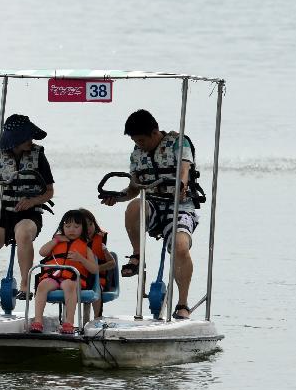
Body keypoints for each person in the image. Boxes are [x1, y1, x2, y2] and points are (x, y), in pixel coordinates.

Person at [99, 109, 205, 320]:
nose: (139, 145)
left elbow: (185, 168)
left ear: (155, 132)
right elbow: (133, 189)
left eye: (141, 140)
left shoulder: (178, 142)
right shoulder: (137, 154)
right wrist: (116, 197)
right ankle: (137, 256)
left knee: (180, 247)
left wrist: (182, 183)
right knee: (134, 206)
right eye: (135, 141)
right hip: (153, 205)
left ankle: (182, 304)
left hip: (180, 206)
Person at [0, 114, 55, 301]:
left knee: (23, 234)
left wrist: (32, 201)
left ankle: (24, 283)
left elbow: (49, 192)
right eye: (27, 137)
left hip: (28, 213)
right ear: (17, 139)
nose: (31, 140)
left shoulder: (39, 156)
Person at [30, 210, 99, 335]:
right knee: (42, 285)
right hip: (53, 277)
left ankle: (69, 322)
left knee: (69, 285)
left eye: (76, 227)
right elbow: (42, 252)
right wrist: (55, 241)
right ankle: (38, 321)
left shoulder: (86, 248)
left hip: (72, 279)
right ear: (62, 227)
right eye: (67, 226)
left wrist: (81, 259)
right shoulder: (56, 242)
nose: (71, 229)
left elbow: (94, 269)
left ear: (82, 229)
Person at [78, 208, 116, 319]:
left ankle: (97, 318)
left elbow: (112, 263)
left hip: (98, 279)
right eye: (85, 225)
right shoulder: (72, 242)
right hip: (78, 279)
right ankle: (67, 322)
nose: (89, 228)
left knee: (96, 288)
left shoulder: (100, 244)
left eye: (91, 224)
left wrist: (96, 268)